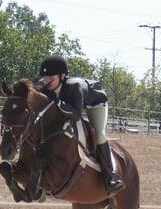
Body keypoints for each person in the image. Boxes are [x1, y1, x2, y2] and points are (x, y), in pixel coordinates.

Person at [37, 55, 125, 196]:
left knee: (100, 133)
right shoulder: (44, 85)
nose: (46, 81)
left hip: (94, 103)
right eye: (44, 77)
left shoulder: (74, 86)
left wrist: (57, 101)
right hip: (71, 105)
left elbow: (76, 114)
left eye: (50, 78)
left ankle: (110, 177)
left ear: (62, 76)